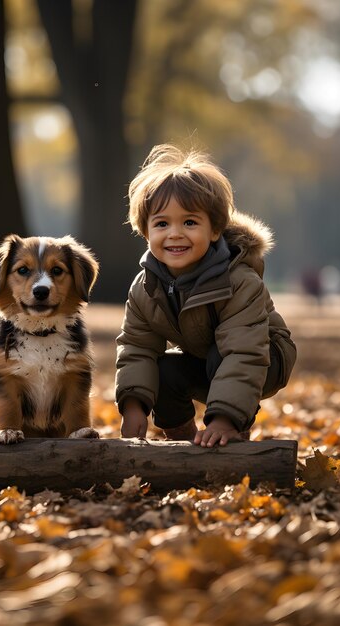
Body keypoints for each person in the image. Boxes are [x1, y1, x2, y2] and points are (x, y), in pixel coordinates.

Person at [115, 144, 297, 447]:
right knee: (164, 369)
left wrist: (224, 418)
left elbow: (244, 353)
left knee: (222, 354)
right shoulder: (145, 287)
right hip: (206, 357)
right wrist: (134, 406)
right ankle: (185, 442)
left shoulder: (237, 281)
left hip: (266, 356)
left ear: (214, 230)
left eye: (189, 222)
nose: (175, 233)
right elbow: (137, 347)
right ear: (145, 232)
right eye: (162, 223)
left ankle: (230, 433)